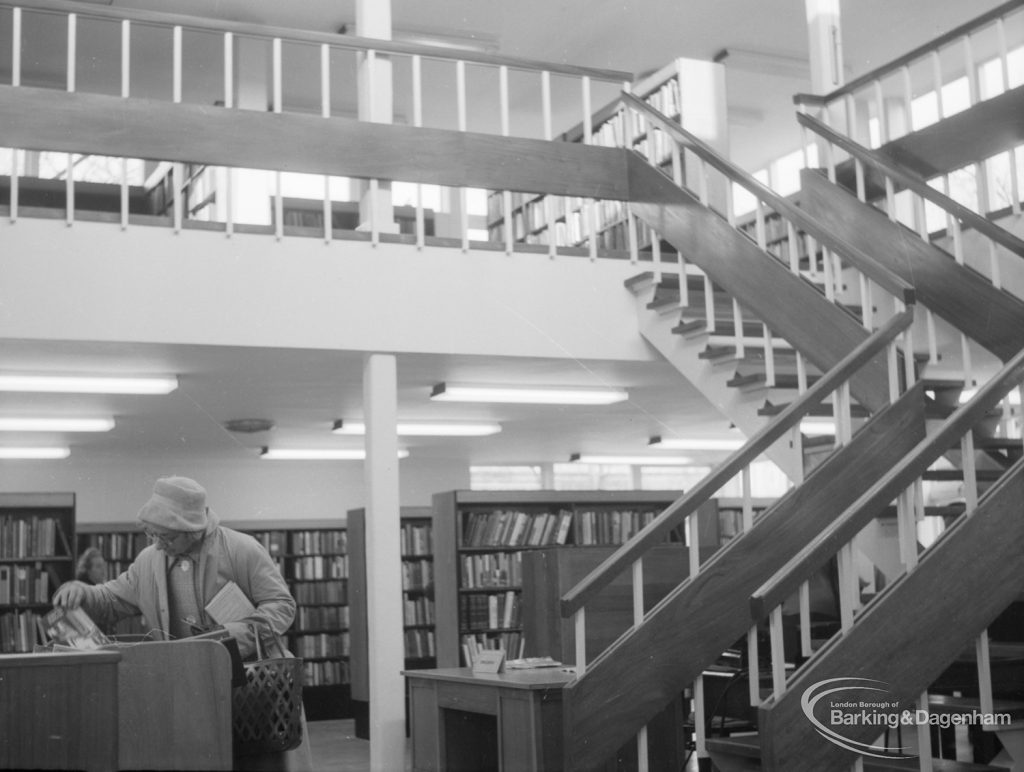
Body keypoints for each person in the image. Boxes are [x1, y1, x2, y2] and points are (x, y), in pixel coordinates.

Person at [53, 476, 296, 659]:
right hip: (185, 680)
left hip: (253, 675)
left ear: (193, 531)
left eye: (167, 537)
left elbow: (282, 605)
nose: (158, 545)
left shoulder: (242, 549)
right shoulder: (148, 561)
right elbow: (111, 599)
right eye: (152, 534)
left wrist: (238, 633)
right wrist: (82, 591)